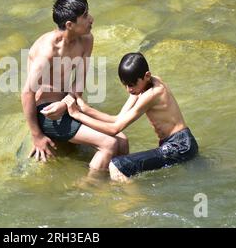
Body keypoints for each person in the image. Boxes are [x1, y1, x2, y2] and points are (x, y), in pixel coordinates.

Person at [21, 0, 129, 172]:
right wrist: (37, 135)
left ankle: (119, 180)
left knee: (122, 140)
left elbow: (78, 85)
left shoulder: (86, 40)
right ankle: (90, 187)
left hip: (67, 104)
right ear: (70, 25)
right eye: (85, 16)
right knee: (109, 144)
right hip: (47, 112)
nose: (91, 19)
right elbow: (27, 93)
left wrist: (65, 104)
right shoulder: (47, 51)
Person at [63, 52, 198, 182]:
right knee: (120, 165)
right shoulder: (143, 86)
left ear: (147, 75)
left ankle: (133, 203)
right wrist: (86, 109)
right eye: (125, 85)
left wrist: (77, 115)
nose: (129, 90)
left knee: (117, 167)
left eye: (132, 85)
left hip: (180, 146)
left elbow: (114, 129)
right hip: (177, 144)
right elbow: (117, 119)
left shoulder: (151, 94)